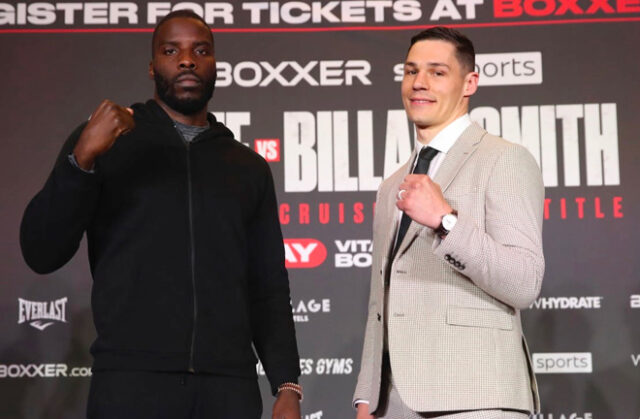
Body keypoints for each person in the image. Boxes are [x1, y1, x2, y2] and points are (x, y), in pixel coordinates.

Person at [20, 10, 301, 419]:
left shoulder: (247, 167)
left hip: (228, 390)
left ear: (215, 65)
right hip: (131, 384)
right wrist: (80, 159)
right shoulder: (107, 143)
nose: (186, 59)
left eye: (200, 50)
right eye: (171, 51)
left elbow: (268, 286)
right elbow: (40, 251)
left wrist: (287, 384)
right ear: (153, 67)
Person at [353, 27, 544, 419]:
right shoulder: (393, 186)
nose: (419, 83)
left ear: (469, 82)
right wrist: (367, 396)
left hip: (476, 396)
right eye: (410, 72)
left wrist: (446, 221)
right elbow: (381, 300)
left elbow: (524, 281)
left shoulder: (503, 159)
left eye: (437, 72)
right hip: (393, 404)